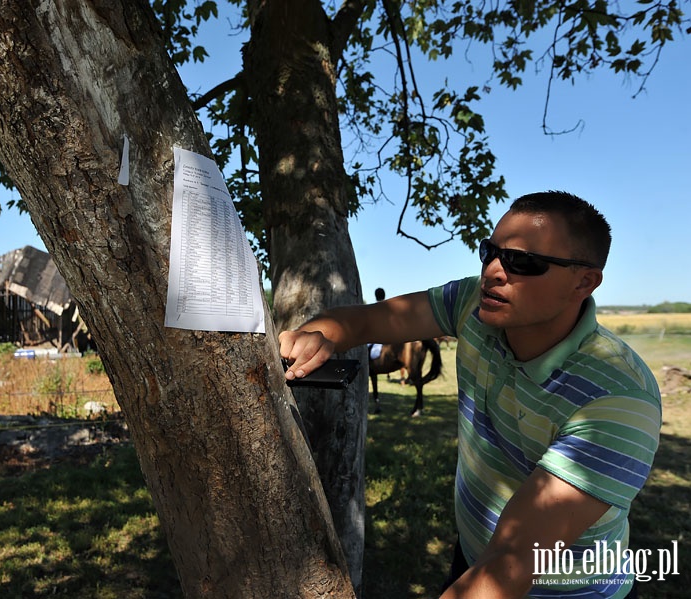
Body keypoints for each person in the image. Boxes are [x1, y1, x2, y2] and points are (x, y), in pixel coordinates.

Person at [279, 191, 660, 599]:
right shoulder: (472, 305)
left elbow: (513, 560)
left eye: (523, 262)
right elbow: (368, 319)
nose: (493, 271)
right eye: (490, 252)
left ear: (584, 282)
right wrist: (319, 334)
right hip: (476, 557)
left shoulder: (621, 399)